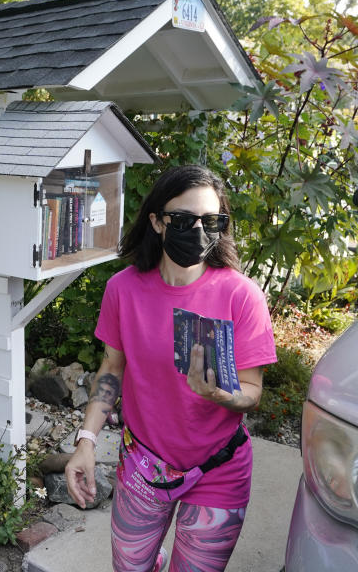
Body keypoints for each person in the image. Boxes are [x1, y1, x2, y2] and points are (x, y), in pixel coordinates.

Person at [64, 165, 277, 572]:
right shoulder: (123, 289)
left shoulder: (242, 297)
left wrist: (220, 395)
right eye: (183, 219)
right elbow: (112, 367)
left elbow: (252, 390)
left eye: (211, 221)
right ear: (158, 222)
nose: (197, 230)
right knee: (130, 566)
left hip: (219, 469)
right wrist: (86, 442)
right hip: (143, 464)